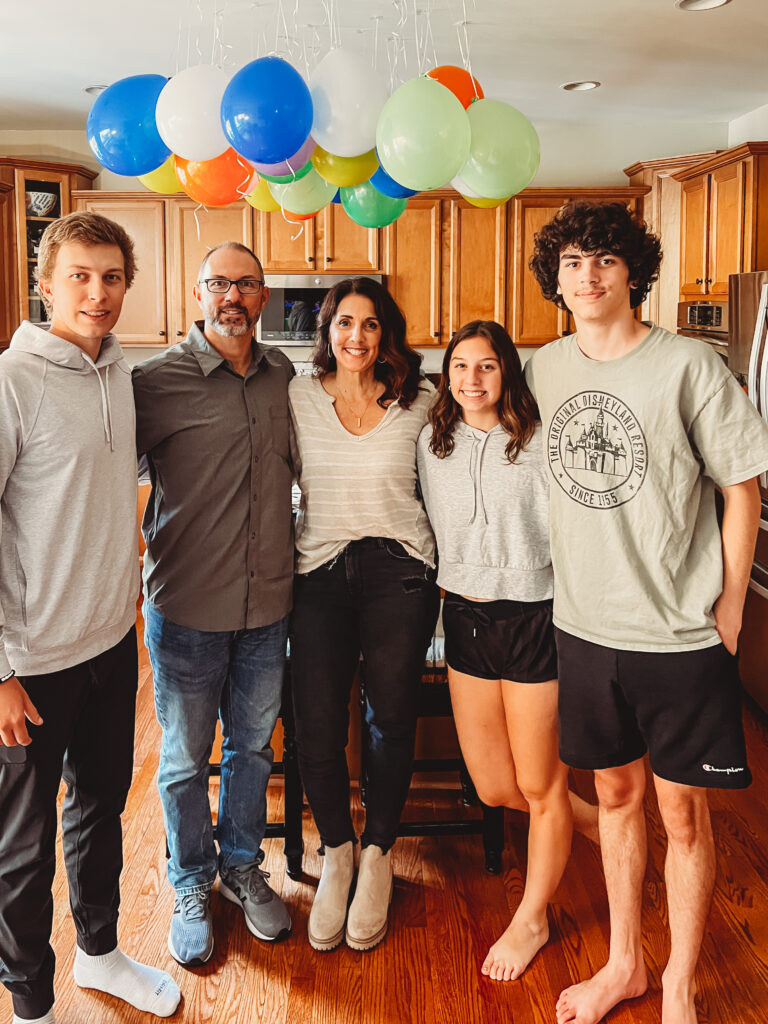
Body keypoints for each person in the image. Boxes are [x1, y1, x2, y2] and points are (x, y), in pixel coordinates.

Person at [526, 200, 768, 1024]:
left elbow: (742, 488)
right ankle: (625, 963)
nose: (587, 276)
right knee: (618, 797)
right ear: (555, 282)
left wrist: (732, 604)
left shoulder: (688, 367)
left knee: (685, 814)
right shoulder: (546, 368)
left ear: (633, 273)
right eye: (571, 264)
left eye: (603, 261)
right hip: (584, 628)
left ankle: (679, 984)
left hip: (677, 633)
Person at [0, 212, 181, 1024]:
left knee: (101, 807)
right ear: (45, 284)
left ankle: (100, 954)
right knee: (23, 846)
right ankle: (31, 1001)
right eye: (79, 275)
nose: (97, 293)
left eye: (111, 277)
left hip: (111, 645)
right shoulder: (12, 382)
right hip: (30, 659)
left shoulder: (120, 373)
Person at [417, 319, 598, 983]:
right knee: (496, 784)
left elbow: (579, 524)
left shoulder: (542, 437)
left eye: (486, 366)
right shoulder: (431, 442)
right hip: (463, 614)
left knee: (540, 782)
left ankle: (534, 916)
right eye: (459, 366)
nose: (471, 379)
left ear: (507, 372)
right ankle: (601, 824)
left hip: (534, 614)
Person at [132, 242, 294, 968]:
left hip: (269, 607)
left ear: (263, 297)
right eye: (219, 283)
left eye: (246, 285)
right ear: (198, 293)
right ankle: (191, 879)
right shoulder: (152, 383)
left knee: (253, 749)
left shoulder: (283, 376)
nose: (233, 296)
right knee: (182, 757)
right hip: (188, 608)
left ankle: (240, 866)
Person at [288, 277, 440, 953]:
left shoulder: (422, 399)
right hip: (317, 572)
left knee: (391, 715)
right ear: (327, 331)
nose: (357, 336)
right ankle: (338, 852)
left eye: (370, 324)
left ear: (387, 333)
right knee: (315, 721)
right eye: (344, 323)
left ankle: (379, 851)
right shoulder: (295, 396)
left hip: (399, 572)